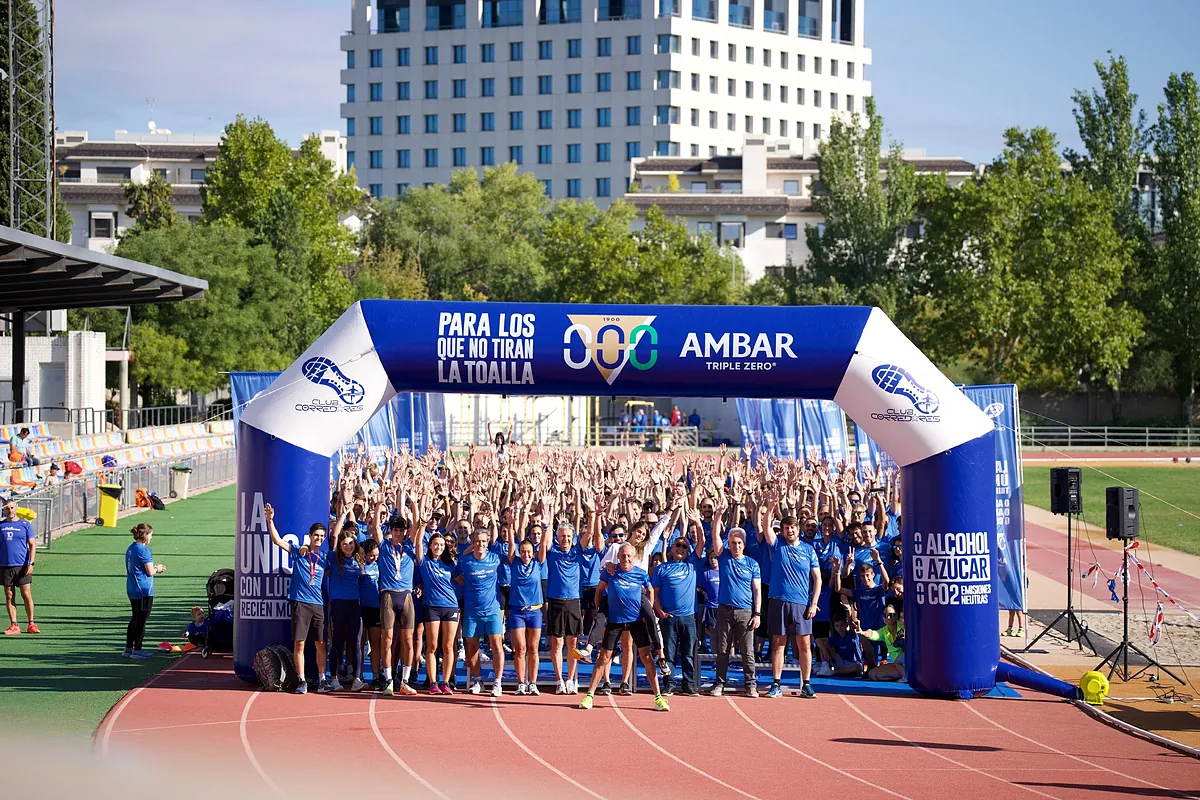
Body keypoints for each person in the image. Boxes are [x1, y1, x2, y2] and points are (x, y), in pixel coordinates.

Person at [579, 543, 669, 712]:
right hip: (615, 621)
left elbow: (649, 589)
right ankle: (589, 695)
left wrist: (647, 608)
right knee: (604, 658)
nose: (626, 559)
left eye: (629, 556)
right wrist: (601, 610)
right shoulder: (610, 571)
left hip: (635, 621)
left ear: (634, 558)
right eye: (622, 556)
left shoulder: (640, 573)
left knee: (646, 658)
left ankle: (658, 697)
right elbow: (599, 590)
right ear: (618, 557)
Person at [265, 504, 330, 694]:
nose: (318, 538)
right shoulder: (298, 552)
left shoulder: (325, 558)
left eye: (321, 536)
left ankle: (322, 680)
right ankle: (302, 681)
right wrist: (270, 519)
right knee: (299, 643)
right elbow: (277, 541)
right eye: (316, 535)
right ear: (310, 536)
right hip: (300, 603)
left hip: (318, 604)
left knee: (320, 644)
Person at [759, 503, 821, 699]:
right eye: (786, 528)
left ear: (798, 529)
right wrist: (771, 504)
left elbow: (817, 578)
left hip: (802, 603)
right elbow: (766, 526)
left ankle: (807, 684)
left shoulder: (808, 550)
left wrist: (813, 603)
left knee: (804, 644)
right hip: (778, 600)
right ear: (783, 530)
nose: (790, 530)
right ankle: (776, 684)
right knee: (778, 643)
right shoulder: (777, 545)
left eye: (793, 527)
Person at [707, 509, 762, 698]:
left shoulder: (752, 564)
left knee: (748, 652)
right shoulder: (724, 557)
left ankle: (751, 685)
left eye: (739, 543)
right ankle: (719, 684)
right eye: (733, 543)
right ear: (728, 544)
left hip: (746, 612)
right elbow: (715, 536)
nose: (736, 546)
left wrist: (757, 613)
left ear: (744, 544)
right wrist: (719, 515)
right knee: (723, 650)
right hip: (724, 610)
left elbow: (757, 590)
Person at [652, 507, 706, 695]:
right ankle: (669, 684)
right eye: (678, 545)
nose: (681, 549)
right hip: (669, 617)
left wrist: (698, 522)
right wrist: (659, 612)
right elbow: (654, 593)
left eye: (684, 546)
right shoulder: (662, 569)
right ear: (672, 548)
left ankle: (689, 685)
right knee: (668, 654)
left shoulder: (692, 564)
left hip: (689, 618)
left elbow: (702, 542)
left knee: (689, 654)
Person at [371, 504, 418, 696]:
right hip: (388, 595)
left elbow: (416, 527)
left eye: (401, 530)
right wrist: (378, 505)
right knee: (387, 639)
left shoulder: (408, 547)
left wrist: (414, 504)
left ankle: (405, 680)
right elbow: (375, 528)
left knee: (408, 640)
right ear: (391, 531)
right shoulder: (383, 547)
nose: (398, 533)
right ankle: (389, 679)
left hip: (406, 596)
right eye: (395, 530)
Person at [454, 527, 506, 697]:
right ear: (473, 543)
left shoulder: (495, 559)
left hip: (492, 609)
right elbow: (457, 577)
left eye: (484, 541)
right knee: (472, 645)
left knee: (496, 644)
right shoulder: (466, 562)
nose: (481, 544)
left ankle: (498, 682)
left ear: (488, 543)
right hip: (471, 610)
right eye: (477, 542)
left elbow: (512, 553)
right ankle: (478, 680)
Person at [414, 528, 461, 694]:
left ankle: (446, 682)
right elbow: (418, 543)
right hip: (431, 607)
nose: (438, 547)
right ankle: (433, 682)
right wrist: (422, 525)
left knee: (448, 646)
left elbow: (462, 580)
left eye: (441, 545)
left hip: (451, 607)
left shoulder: (450, 564)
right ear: (430, 546)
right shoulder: (424, 562)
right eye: (435, 544)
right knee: (432, 646)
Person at [543, 514, 586, 694]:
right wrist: (546, 525)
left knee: (573, 644)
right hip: (556, 601)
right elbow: (545, 544)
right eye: (562, 536)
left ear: (573, 537)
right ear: (557, 537)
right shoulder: (552, 552)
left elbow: (590, 533)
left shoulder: (577, 551)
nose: (565, 539)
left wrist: (593, 513)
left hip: (574, 601)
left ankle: (570, 680)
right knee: (557, 644)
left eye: (568, 536)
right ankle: (559, 680)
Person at [505, 507, 543, 695]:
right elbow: (511, 543)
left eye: (528, 552)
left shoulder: (538, 562)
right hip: (518, 611)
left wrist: (546, 522)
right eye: (523, 552)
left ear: (533, 553)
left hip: (535, 611)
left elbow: (543, 543)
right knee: (519, 648)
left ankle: (533, 682)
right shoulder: (515, 562)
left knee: (533, 648)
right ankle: (521, 682)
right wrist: (512, 525)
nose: (526, 555)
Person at [327, 529, 366, 692]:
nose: (348, 546)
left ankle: (356, 678)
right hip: (338, 603)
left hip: (354, 604)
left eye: (350, 543)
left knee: (356, 641)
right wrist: (344, 512)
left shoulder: (359, 559)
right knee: (338, 641)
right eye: (344, 544)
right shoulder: (334, 558)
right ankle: (334, 678)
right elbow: (334, 535)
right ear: (340, 546)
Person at [124, 522, 165, 659]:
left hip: (132, 588)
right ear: (145, 535)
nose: (151, 538)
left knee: (135, 618)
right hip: (144, 590)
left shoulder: (131, 548)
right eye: (151, 535)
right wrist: (158, 568)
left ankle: (129, 648)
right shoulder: (144, 551)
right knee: (142, 620)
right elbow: (149, 571)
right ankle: (138, 650)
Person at [2, 496, 38, 635]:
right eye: (7, 508)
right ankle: (14, 625)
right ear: (4, 510)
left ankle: (31, 623)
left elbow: (32, 544)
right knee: (9, 595)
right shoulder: (1, 526)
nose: (9, 510)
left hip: (22, 565)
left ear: (16, 508)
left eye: (11, 507)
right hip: (5, 565)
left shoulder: (25, 525)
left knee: (26, 594)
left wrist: (31, 562)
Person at [358, 539, 384, 688]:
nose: (374, 558)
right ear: (365, 554)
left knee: (375, 643)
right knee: (359, 643)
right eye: (372, 555)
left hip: (375, 607)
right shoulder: (359, 566)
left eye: (376, 555)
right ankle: (358, 675)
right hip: (361, 607)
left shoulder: (378, 566)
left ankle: (375, 676)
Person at [855, 603, 905, 681]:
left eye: (891, 615)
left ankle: (905, 676)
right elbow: (873, 634)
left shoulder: (902, 626)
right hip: (897, 665)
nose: (888, 617)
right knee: (872, 674)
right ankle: (902, 676)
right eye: (885, 615)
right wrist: (862, 632)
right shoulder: (884, 631)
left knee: (875, 675)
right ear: (882, 617)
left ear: (896, 616)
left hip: (907, 663)